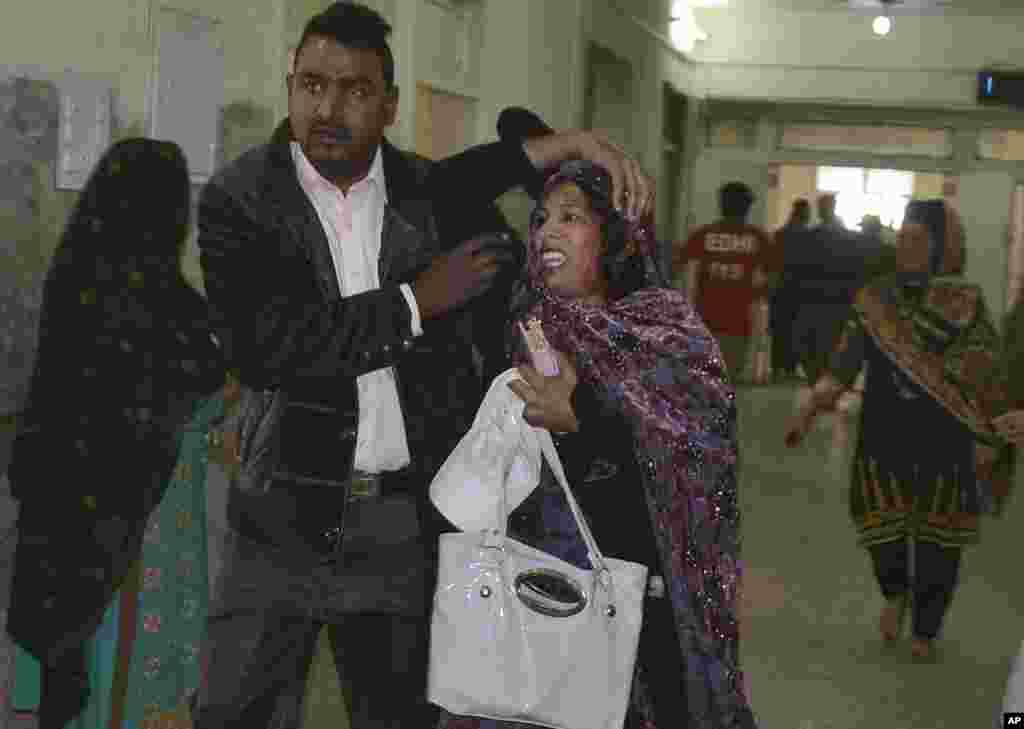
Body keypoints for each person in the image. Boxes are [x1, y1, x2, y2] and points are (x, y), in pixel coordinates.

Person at [191, 4, 655, 728]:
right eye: (311, 85)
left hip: (399, 526)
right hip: (278, 518)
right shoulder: (240, 200)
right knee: (233, 712)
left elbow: (479, 185)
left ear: (389, 104)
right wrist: (416, 301)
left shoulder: (425, 196)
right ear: (290, 87)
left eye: (354, 90)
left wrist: (566, 147)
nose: (328, 107)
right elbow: (270, 345)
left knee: (400, 715)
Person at [439, 160, 757, 729]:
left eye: (571, 217)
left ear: (615, 235)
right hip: (527, 598)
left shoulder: (666, 333)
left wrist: (582, 418)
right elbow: (446, 191)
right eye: (540, 219)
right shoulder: (521, 324)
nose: (547, 233)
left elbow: (696, 464)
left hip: (631, 609)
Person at [3, 138, 228, 728]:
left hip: (61, 510)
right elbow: (204, 370)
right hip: (123, 525)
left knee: (67, 658)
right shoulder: (157, 301)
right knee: (111, 666)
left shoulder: (77, 269)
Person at [784, 199, 1016, 661]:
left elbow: (990, 374)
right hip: (882, 439)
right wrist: (810, 408)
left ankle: (926, 630)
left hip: (946, 444)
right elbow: (845, 363)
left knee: (939, 542)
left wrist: (990, 437)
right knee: (880, 531)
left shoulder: (965, 303)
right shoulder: (875, 298)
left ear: (942, 248)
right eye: (903, 240)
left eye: (919, 241)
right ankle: (894, 593)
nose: (907, 249)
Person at [675, 181, 780, 382]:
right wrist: (756, 293)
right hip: (738, 321)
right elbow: (773, 279)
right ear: (747, 207)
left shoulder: (702, 235)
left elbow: (678, 270)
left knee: (703, 378)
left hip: (704, 318)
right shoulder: (758, 238)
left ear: (721, 205)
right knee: (728, 378)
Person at [770, 199, 811, 380]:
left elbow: (773, 264)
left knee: (780, 328)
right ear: (804, 214)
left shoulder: (780, 234)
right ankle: (790, 367)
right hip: (800, 289)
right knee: (796, 329)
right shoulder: (809, 236)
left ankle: (777, 367)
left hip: (781, 288)